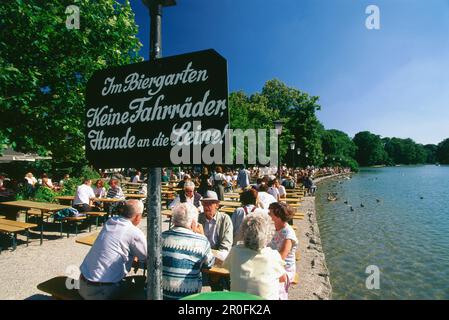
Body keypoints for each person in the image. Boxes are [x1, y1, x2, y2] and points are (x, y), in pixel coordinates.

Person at [79, 200, 147, 300]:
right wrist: (135, 256)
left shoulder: (110, 221)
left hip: (82, 284)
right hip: (102, 292)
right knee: (141, 285)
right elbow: (146, 257)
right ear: (138, 216)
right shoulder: (134, 232)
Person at [224, 213, 287, 300]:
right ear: (269, 233)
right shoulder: (273, 255)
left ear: (243, 231)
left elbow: (227, 267)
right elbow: (283, 278)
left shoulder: (235, 251)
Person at [161, 203, 215, 300]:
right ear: (194, 223)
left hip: (157, 293)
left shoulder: (161, 236)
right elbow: (210, 263)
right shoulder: (201, 241)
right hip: (186, 296)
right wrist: (202, 235)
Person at [268, 202, 298, 300]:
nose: (268, 215)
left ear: (278, 216)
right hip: (272, 264)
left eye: (270, 213)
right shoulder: (274, 227)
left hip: (284, 269)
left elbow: (281, 258)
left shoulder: (288, 234)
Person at [198, 191, 233, 262]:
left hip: (218, 257)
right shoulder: (198, 218)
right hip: (200, 256)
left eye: (210, 203)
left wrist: (212, 255)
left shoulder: (225, 219)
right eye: (204, 203)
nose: (206, 206)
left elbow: (226, 246)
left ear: (217, 205)